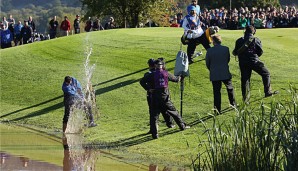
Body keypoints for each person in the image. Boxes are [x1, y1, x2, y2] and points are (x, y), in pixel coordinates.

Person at [140, 59, 190, 139]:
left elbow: (142, 81)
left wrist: (148, 89)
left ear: (155, 66)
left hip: (155, 98)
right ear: (162, 65)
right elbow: (176, 79)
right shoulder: (166, 73)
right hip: (165, 98)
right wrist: (181, 76)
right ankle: (182, 126)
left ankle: (155, 134)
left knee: (154, 116)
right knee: (174, 112)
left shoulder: (151, 75)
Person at [232, 26, 278, 102]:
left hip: (243, 62)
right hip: (254, 61)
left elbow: (235, 52)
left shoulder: (239, 41)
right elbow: (260, 52)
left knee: (245, 80)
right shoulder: (256, 40)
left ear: (245, 32)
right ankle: (267, 91)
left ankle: (246, 99)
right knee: (266, 73)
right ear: (253, 32)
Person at [141, 59, 175, 134]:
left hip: (152, 96)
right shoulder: (162, 72)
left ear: (150, 65)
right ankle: (170, 124)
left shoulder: (148, 74)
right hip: (164, 95)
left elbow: (142, 82)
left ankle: (154, 130)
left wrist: (148, 89)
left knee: (153, 114)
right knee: (165, 110)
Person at [205, 34, 236, 113]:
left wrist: (212, 69)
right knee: (230, 88)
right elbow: (227, 59)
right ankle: (233, 104)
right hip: (225, 72)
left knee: (216, 92)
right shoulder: (226, 49)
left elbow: (207, 63)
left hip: (215, 73)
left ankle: (217, 109)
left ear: (213, 41)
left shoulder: (209, 51)